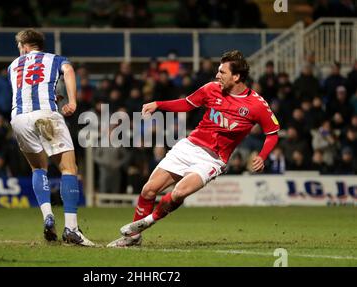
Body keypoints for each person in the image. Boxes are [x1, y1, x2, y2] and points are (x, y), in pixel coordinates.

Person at [107, 50, 280, 247]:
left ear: (237, 76)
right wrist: (158, 104)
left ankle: (147, 222)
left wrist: (263, 155)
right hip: (189, 146)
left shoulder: (256, 105)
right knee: (148, 190)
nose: (217, 76)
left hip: (213, 159)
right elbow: (187, 104)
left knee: (179, 193)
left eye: (222, 72)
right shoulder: (211, 89)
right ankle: (133, 239)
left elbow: (272, 133)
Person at [8, 29, 94, 246]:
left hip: (19, 118)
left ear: (25, 46)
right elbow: (69, 70)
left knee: (38, 168)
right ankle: (72, 229)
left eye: (20, 47)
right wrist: (72, 101)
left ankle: (48, 216)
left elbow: (27, 88)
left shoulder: (13, 66)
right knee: (68, 168)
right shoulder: (55, 59)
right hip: (46, 115)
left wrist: (51, 95)